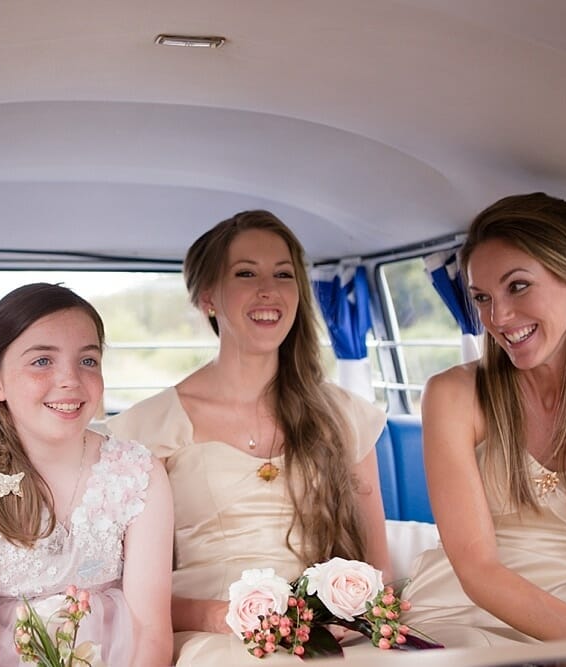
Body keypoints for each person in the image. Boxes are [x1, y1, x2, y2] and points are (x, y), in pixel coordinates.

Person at [107, 210, 390, 664]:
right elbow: (130, 593)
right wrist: (229, 618)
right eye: (245, 273)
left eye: (283, 274)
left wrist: (345, 619)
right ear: (207, 298)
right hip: (211, 635)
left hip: (328, 636)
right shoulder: (149, 430)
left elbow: (379, 565)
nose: (268, 290)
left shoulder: (345, 416)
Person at [402, 192, 566, 646]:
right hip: (449, 623)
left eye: (518, 286)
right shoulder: (452, 395)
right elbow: (478, 570)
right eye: (482, 297)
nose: (498, 317)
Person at [0, 282, 173, 667]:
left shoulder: (140, 473)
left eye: (88, 361)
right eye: (42, 361)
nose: (69, 379)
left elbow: (152, 631)